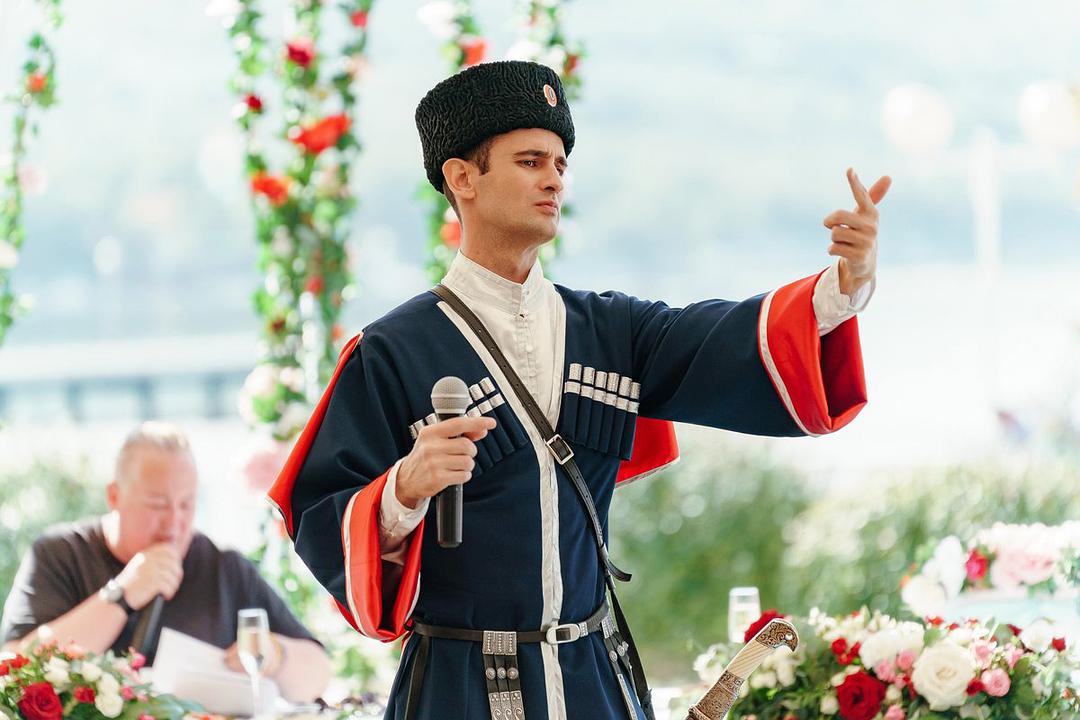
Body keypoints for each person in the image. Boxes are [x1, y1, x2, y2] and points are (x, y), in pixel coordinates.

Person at [269, 60, 890, 720]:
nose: (554, 180)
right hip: (458, 688)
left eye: (560, 164)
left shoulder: (611, 329)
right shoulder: (391, 351)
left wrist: (845, 285)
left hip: (596, 679)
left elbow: (725, 335)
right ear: (462, 178)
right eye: (530, 161)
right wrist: (404, 487)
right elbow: (320, 518)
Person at [1, 422, 331, 703]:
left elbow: (317, 675)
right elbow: (15, 669)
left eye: (186, 505)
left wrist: (275, 655)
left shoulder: (223, 567)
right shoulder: (60, 554)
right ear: (114, 496)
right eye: (157, 505)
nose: (174, 523)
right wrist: (123, 594)